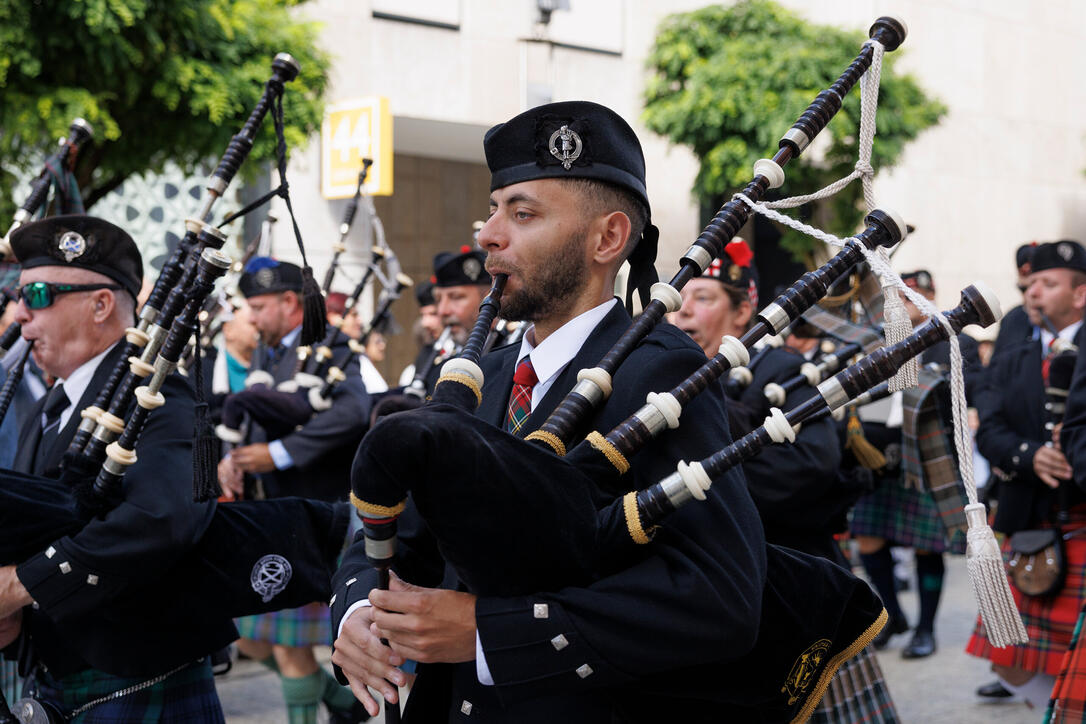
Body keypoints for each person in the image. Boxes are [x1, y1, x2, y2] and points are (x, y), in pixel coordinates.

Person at [330, 101, 766, 722]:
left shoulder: (660, 371)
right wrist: (357, 613)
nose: (488, 234)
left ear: (608, 238)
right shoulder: (480, 375)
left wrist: (487, 632)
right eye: (493, 209)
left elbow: (719, 596)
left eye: (523, 213)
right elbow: (400, 526)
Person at [0, 214, 230, 721]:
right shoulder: (49, 407)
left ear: (101, 305)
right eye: (17, 298)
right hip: (61, 676)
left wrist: (21, 585)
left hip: (140, 684)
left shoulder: (160, 398)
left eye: (36, 296)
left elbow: (162, 518)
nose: (19, 314)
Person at [669, 241, 901, 723]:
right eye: (681, 298)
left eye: (704, 298)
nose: (683, 310)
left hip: (789, 578)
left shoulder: (783, 372)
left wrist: (698, 490)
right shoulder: (665, 375)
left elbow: (807, 467)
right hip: (698, 584)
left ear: (743, 312)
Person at [218, 257, 370, 724]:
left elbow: (353, 412)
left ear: (289, 303)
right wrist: (233, 458)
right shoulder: (268, 351)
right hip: (272, 514)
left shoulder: (331, 346)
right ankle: (342, 703)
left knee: (289, 649)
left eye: (259, 306)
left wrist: (280, 453)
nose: (251, 317)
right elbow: (253, 413)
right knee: (247, 633)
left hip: (316, 516)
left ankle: (323, 708)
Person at [967, 241, 1086, 708]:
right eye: (1029, 284)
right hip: (1030, 517)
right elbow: (989, 427)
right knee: (1009, 657)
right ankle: (1057, 711)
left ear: (1080, 294)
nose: (1032, 292)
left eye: (1047, 283)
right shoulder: (1013, 355)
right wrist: (1030, 455)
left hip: (1081, 514)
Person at [851, 269, 982, 662]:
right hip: (882, 454)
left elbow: (968, 391)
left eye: (914, 296)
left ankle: (926, 628)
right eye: (901, 298)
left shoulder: (956, 341)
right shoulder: (881, 341)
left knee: (928, 546)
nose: (907, 305)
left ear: (930, 297)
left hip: (931, 455)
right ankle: (894, 617)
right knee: (868, 538)